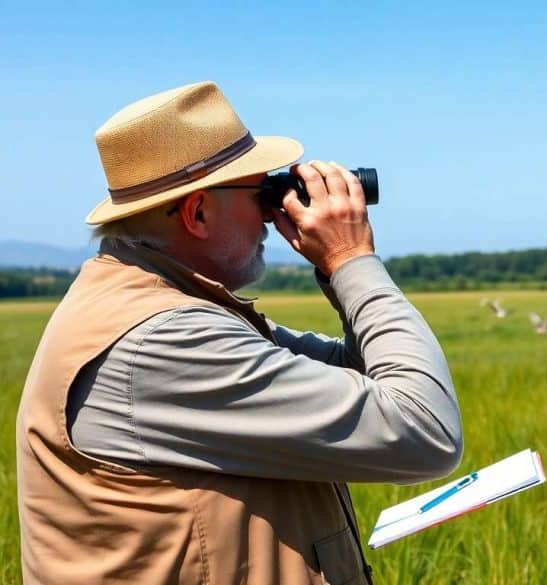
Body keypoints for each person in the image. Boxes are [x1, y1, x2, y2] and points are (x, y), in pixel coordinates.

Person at [15, 81, 463, 585]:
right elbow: (424, 430)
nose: (274, 214)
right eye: (262, 193)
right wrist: (351, 259)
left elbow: (359, 375)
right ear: (198, 212)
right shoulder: (161, 340)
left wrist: (335, 272)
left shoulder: (160, 305)